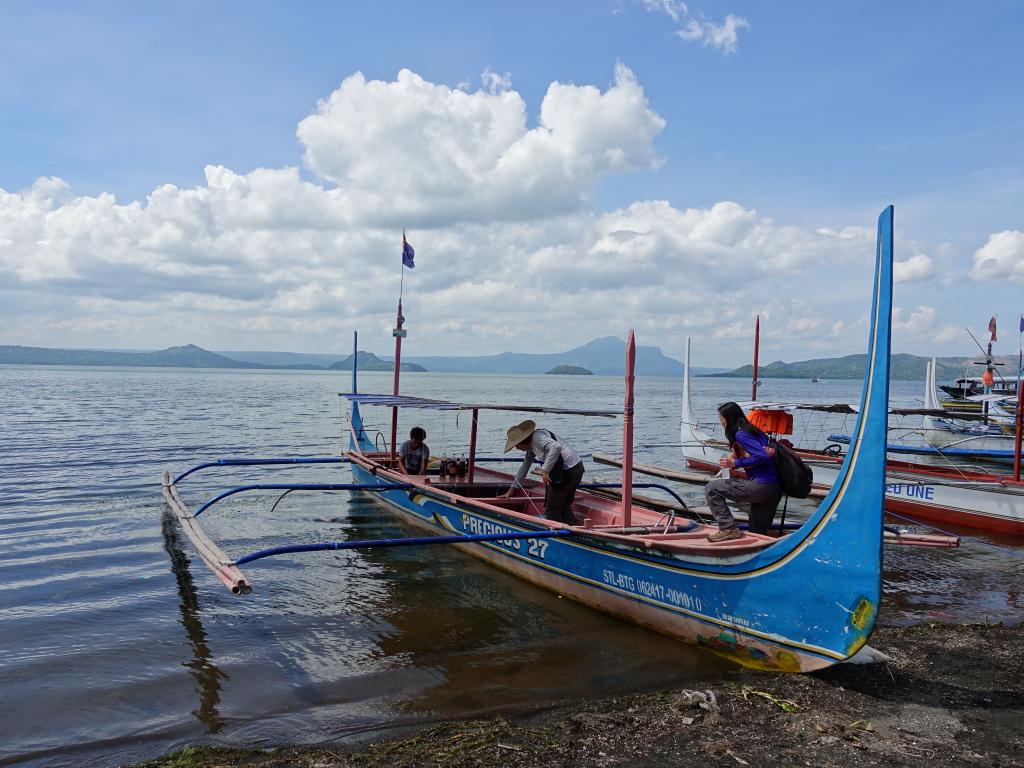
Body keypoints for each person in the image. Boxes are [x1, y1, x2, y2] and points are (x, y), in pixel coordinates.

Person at [704, 402, 782, 541]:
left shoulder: (741, 434)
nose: (721, 423)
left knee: (712, 488)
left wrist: (735, 463)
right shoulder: (756, 432)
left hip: (761, 487)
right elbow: (761, 453)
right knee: (758, 533)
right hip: (774, 489)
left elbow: (761, 456)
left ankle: (728, 528)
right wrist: (735, 458)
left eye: (721, 419)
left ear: (729, 418)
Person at [500, 419, 584, 524]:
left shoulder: (537, 437)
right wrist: (512, 489)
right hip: (576, 468)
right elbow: (525, 467)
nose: (517, 448)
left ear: (523, 441)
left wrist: (545, 470)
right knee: (563, 505)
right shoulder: (531, 448)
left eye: (516, 445)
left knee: (552, 507)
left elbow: (556, 447)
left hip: (569, 471)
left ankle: (552, 534)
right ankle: (572, 531)